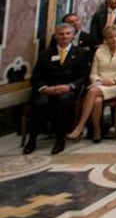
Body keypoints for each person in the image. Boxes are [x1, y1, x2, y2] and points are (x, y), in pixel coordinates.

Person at [25, 23, 89, 154]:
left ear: (72, 36)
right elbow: (36, 77)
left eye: (67, 34)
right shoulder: (45, 55)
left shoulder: (81, 54)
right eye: (61, 34)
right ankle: (32, 140)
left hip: (68, 89)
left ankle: (60, 140)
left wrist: (69, 86)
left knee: (62, 102)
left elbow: (83, 77)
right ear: (56, 36)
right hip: (48, 89)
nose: (64, 37)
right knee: (39, 102)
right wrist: (44, 88)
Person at [68, 24, 116, 142]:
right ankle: (97, 130)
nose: (114, 39)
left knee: (93, 91)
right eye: (111, 37)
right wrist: (99, 81)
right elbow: (93, 72)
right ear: (106, 39)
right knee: (97, 100)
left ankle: (80, 126)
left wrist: (113, 81)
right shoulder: (99, 51)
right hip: (100, 83)